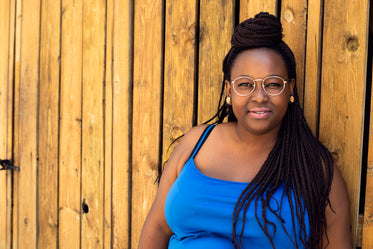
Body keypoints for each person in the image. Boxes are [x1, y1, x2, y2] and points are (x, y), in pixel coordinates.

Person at [137, 12, 351, 249]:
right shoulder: (196, 142)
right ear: (229, 90)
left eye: (272, 84)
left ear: (290, 89)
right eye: (245, 84)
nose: (259, 97)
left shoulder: (316, 169)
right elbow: (157, 228)